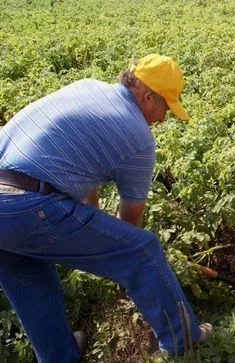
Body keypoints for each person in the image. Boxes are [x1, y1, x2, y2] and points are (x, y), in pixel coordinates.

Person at [0, 54, 212, 362]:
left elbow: (80, 162)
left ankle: (60, 355)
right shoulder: (139, 137)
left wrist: (92, 225)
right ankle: (183, 340)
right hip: (25, 205)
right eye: (165, 107)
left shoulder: (89, 89)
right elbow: (130, 227)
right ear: (148, 95)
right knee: (142, 251)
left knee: (29, 274)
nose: (163, 118)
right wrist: (113, 257)